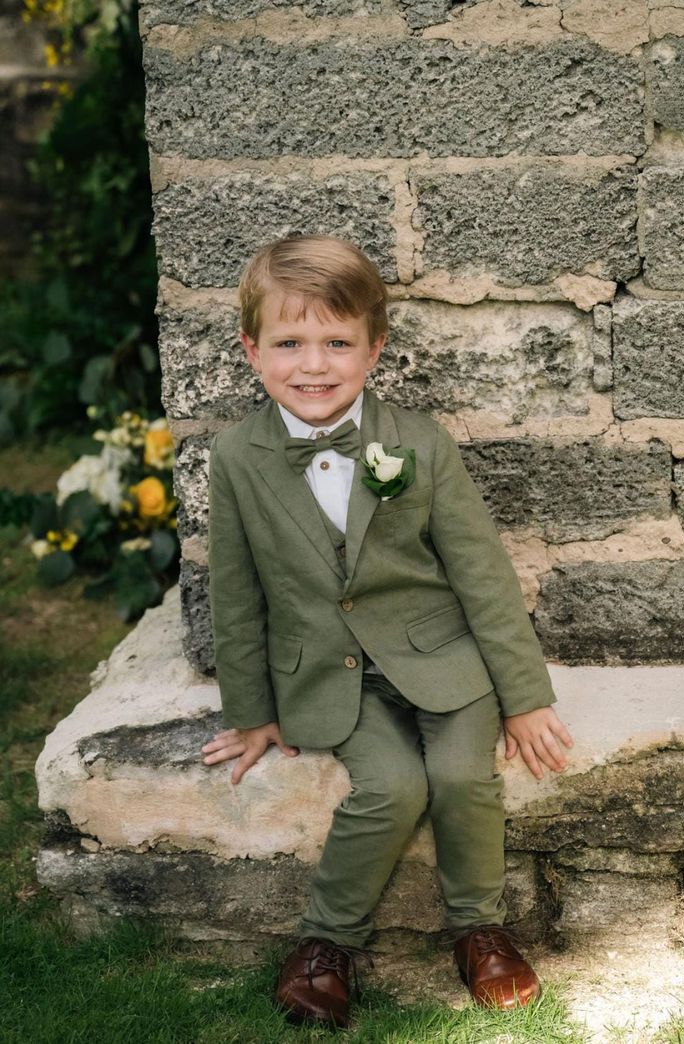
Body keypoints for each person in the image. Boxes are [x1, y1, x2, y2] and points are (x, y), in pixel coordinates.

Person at [201, 234, 574, 1029]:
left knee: (461, 775)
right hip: (327, 676)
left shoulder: (418, 442)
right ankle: (324, 943)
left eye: (337, 342)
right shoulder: (236, 456)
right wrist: (251, 711)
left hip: (444, 658)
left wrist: (524, 698)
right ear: (251, 350)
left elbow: (481, 575)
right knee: (394, 785)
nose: (313, 364)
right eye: (289, 343)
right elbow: (233, 592)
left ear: (374, 349)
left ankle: (478, 927)